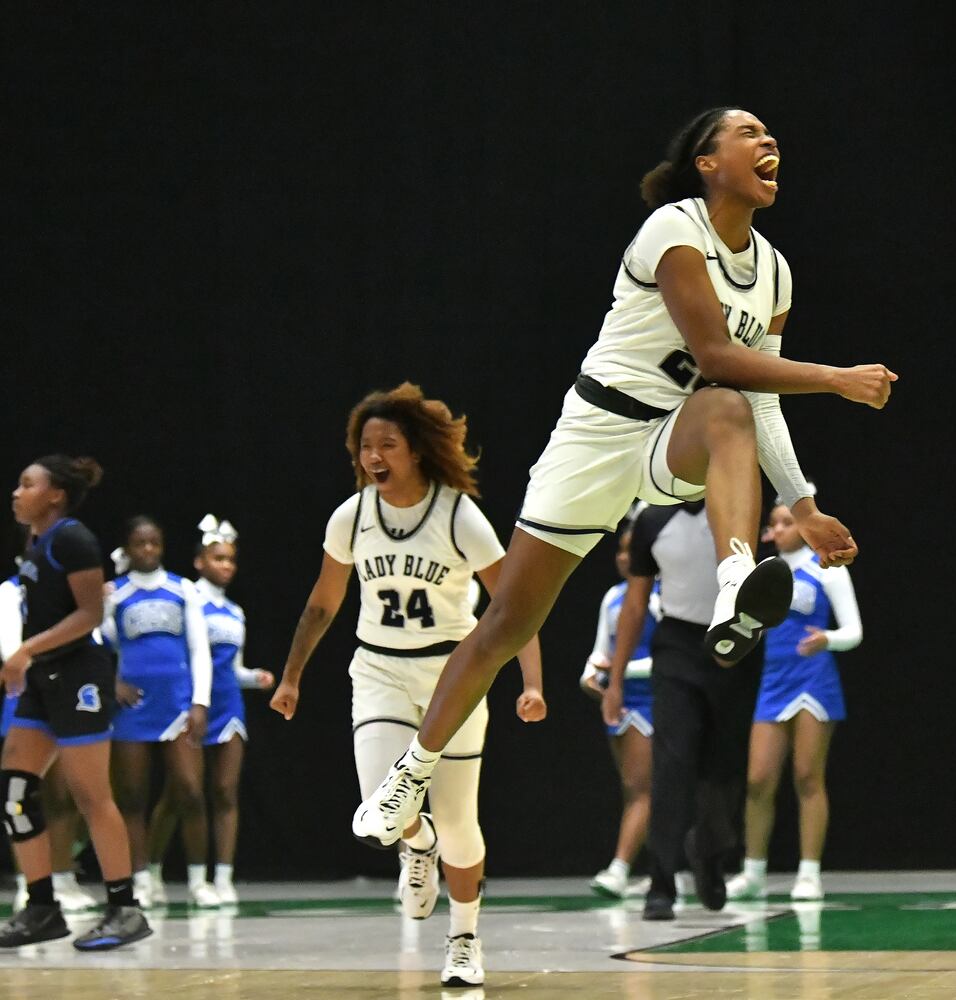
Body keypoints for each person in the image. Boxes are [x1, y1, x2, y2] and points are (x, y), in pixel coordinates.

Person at [353, 107, 897, 867]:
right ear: (706, 162)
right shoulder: (673, 228)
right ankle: (410, 774)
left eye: (773, 134)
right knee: (507, 622)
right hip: (596, 437)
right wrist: (835, 379)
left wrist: (801, 505)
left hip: (668, 440)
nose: (770, 142)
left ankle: (735, 573)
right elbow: (716, 349)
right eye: (749, 133)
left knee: (729, 410)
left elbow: (756, 398)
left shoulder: (774, 270)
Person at [269, 382, 542, 990]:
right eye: (365, 445)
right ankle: (415, 848)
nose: (373, 456)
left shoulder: (457, 515)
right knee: (380, 810)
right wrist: (291, 676)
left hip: (455, 673)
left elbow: (513, 606)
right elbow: (322, 604)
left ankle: (465, 940)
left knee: (460, 823)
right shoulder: (352, 516)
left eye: (386, 443)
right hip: (380, 670)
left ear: (414, 450)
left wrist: (531, 682)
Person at [0, 455, 150, 950]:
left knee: (91, 794)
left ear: (55, 495)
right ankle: (43, 907)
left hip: (80, 676)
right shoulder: (36, 542)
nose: (16, 493)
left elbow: (89, 615)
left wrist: (25, 650)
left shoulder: (72, 538)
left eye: (27, 485)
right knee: (14, 791)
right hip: (44, 681)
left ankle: (125, 908)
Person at [603, 500, 763, 921]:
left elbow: (763, 588)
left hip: (735, 644)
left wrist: (741, 634)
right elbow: (635, 605)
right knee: (672, 763)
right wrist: (615, 681)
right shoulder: (652, 520)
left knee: (724, 767)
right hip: (677, 648)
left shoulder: (738, 507)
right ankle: (661, 881)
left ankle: (710, 850)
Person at [728, 488, 863, 903]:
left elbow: (854, 632)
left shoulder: (827, 569)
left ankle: (809, 872)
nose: (781, 529)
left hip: (814, 680)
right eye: (776, 524)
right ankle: (752, 872)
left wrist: (828, 640)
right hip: (773, 679)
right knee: (757, 780)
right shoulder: (761, 573)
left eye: (789, 521)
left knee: (807, 776)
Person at [144, 515, 274, 906]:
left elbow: (233, 669)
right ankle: (150, 872)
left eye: (231, 560)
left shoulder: (236, 612)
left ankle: (223, 877)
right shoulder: (186, 599)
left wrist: (256, 678)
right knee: (180, 792)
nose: (227, 566)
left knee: (225, 791)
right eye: (218, 558)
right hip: (191, 703)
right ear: (200, 561)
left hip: (228, 706)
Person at [103, 516, 213, 907]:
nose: (147, 550)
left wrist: (200, 702)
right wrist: (112, 682)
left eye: (154, 543)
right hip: (132, 709)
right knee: (131, 797)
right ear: (128, 548)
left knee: (189, 791)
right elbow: (101, 646)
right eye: (139, 543)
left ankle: (200, 881)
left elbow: (200, 649)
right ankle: (141, 878)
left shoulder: (183, 590)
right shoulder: (112, 593)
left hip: (178, 704)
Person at [3, 571, 96, 915]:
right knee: (22, 796)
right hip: (29, 699)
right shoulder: (10, 592)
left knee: (65, 795)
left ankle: (63, 877)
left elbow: (90, 642)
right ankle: (31, 884)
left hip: (68, 697)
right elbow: (11, 651)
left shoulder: (71, 598)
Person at [580, 523, 662, 899]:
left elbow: (667, 658)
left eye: (633, 550)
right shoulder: (612, 597)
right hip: (618, 701)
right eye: (621, 550)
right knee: (634, 791)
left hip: (653, 701)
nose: (625, 557)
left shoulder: (663, 598)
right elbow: (601, 649)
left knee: (642, 789)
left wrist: (618, 672)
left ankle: (620, 868)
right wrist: (590, 677)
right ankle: (655, 869)